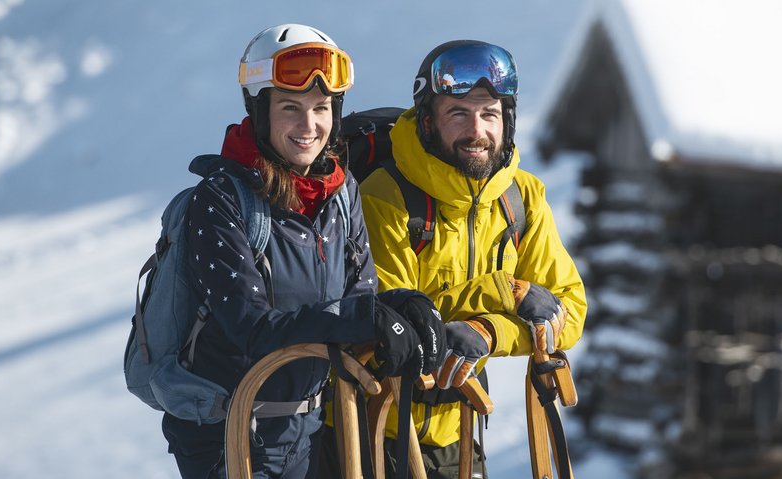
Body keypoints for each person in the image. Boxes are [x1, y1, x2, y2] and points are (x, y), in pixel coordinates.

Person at [162, 24, 444, 479]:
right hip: (229, 437)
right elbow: (251, 328)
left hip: (309, 430)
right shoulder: (221, 200)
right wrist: (362, 317)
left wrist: (398, 305)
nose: (308, 125)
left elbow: (357, 298)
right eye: (290, 107)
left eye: (321, 108)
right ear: (259, 112)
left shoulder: (340, 191)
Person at [355, 40, 588, 477]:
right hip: (373, 429)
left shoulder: (523, 199)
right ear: (427, 122)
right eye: (458, 113)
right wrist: (507, 292)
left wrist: (488, 330)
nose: (477, 130)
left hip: (459, 432)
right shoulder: (386, 197)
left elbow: (568, 310)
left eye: (490, 113)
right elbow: (400, 324)